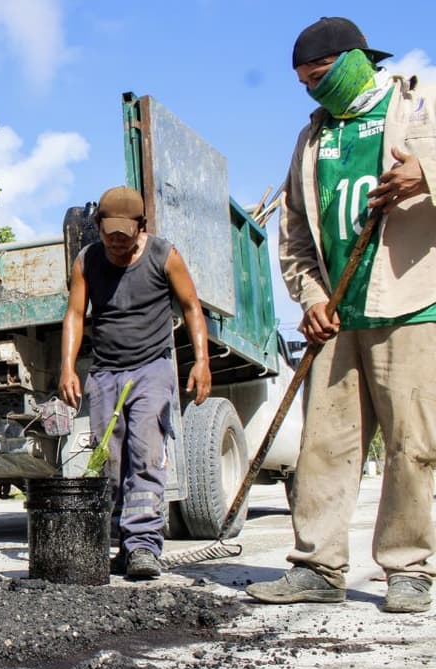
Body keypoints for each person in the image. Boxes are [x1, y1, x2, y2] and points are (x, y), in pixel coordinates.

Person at [246, 18, 436, 613]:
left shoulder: (418, 108)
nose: (313, 90)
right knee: (324, 447)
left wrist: (425, 172)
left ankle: (409, 569)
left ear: (357, 61)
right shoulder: (312, 138)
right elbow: (295, 232)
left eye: (321, 76)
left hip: (408, 305)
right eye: (304, 83)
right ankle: (318, 568)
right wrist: (311, 299)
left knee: (412, 443)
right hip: (337, 315)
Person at [59, 186, 212, 580]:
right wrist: (67, 367)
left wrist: (202, 362)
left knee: (145, 454)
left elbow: (193, 307)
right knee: (109, 461)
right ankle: (122, 545)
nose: (116, 243)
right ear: (98, 227)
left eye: (124, 237)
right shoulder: (87, 261)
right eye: (109, 235)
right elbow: (76, 315)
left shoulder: (165, 255)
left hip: (151, 369)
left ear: (140, 227)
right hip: (106, 372)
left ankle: (143, 546)